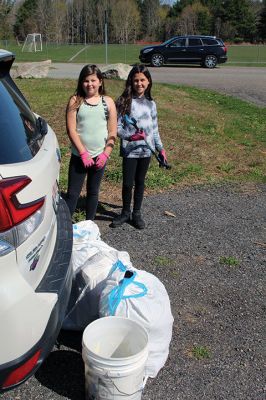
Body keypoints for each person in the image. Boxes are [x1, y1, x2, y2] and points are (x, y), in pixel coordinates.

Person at [111, 64, 167, 230]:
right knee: (128, 183)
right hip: (130, 151)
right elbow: (117, 128)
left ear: (148, 81)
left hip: (146, 151)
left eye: (142, 80)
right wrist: (130, 136)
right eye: (136, 80)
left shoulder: (151, 104)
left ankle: (136, 213)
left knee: (140, 182)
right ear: (131, 82)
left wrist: (160, 149)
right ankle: (125, 212)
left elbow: (155, 129)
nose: (139, 83)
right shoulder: (123, 102)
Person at [65, 64, 117, 221]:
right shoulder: (75, 101)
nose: (90, 84)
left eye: (93, 80)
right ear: (81, 82)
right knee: (73, 193)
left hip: (100, 156)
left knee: (93, 192)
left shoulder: (107, 102)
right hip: (80, 157)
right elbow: (71, 130)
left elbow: (113, 132)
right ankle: (65, 226)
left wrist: (105, 155)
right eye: (86, 81)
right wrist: (83, 153)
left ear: (100, 81)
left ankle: (90, 225)